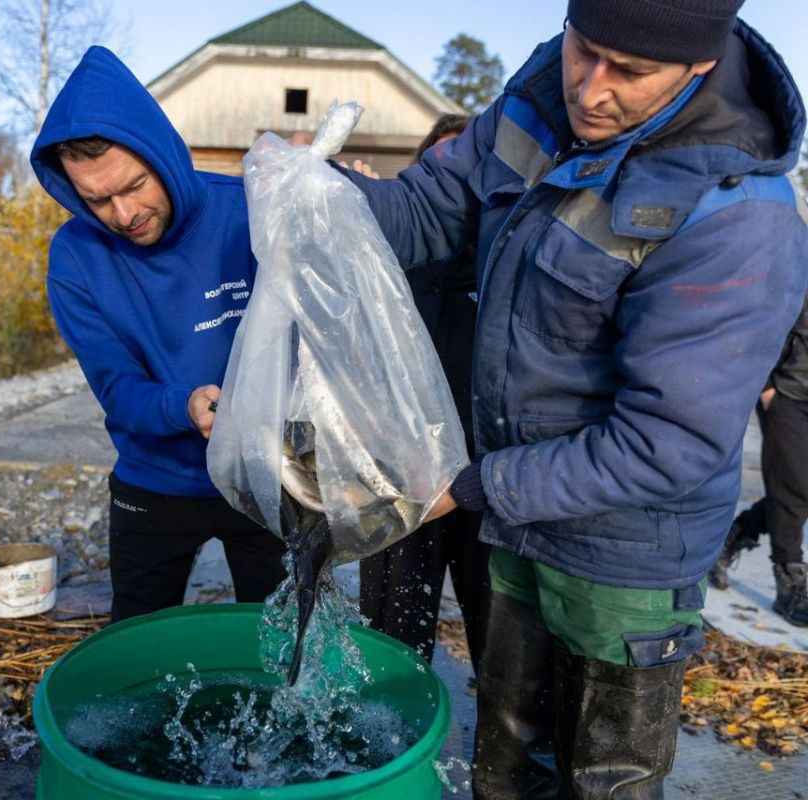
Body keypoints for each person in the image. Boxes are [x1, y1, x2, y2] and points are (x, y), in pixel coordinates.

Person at [342, 1, 808, 797]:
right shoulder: (536, 102)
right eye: (583, 50)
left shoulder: (737, 217)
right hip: (521, 527)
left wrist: (475, 486)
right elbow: (422, 213)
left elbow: (668, 442)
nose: (591, 91)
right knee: (508, 757)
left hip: (623, 555)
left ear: (699, 64)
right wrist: (306, 199)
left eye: (629, 72)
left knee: (603, 777)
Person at [29, 46, 287, 623]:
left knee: (282, 645)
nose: (123, 214)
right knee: (136, 645)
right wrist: (184, 405)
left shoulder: (249, 211)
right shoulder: (75, 257)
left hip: (266, 475)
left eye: (135, 185)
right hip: (154, 482)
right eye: (96, 200)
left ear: (162, 154)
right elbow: (115, 384)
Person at [358, 113, 492, 673]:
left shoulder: (504, 258)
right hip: (404, 475)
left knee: (503, 640)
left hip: (492, 480)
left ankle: (505, 756)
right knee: (393, 636)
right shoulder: (387, 258)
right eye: (435, 166)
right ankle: (390, 744)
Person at [709, 288, 808, 626]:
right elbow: (765, 316)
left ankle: (735, 535)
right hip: (789, 394)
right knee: (795, 486)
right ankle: (790, 579)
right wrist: (766, 386)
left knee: (796, 486)